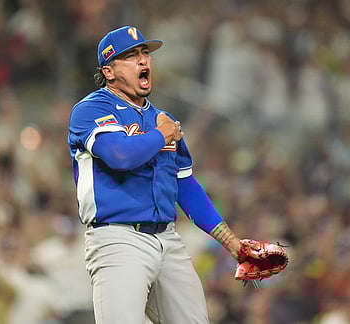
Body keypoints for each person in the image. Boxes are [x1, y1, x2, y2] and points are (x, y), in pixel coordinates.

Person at [67, 25, 245, 324]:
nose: (143, 61)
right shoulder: (92, 109)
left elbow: (184, 185)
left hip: (168, 239)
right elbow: (120, 156)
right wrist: (162, 134)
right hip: (118, 239)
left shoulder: (162, 119)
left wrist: (232, 243)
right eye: (131, 56)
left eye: (145, 53)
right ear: (109, 72)